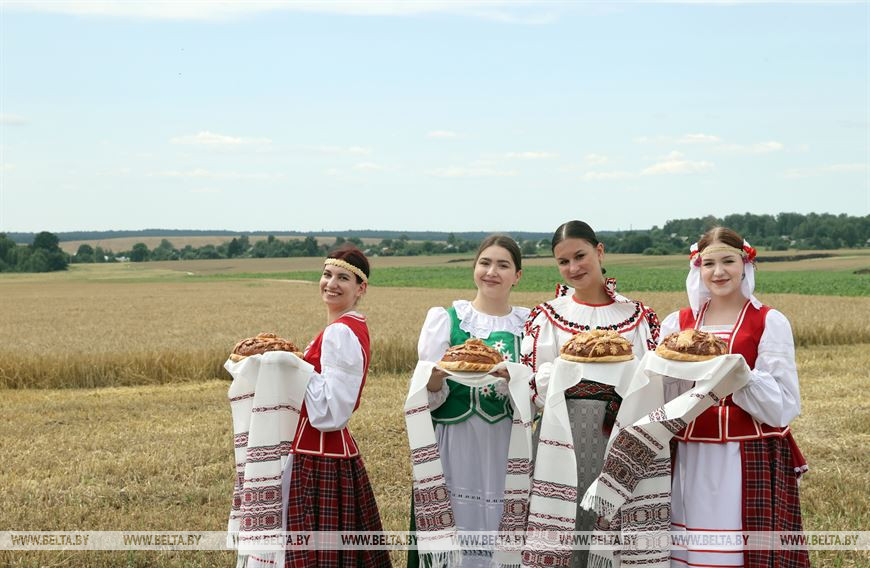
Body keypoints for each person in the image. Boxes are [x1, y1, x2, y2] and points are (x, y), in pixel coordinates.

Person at [661, 227, 809, 568]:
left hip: (746, 452)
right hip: (689, 452)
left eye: (728, 261)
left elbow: (784, 403)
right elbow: (664, 395)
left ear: (745, 264)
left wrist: (742, 376)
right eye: (709, 263)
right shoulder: (678, 324)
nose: (718, 272)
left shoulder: (768, 321)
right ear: (697, 268)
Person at [520, 220, 660, 567]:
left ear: (599, 251)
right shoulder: (548, 316)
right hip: (563, 438)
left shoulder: (638, 316)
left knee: (614, 527)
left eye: (580, 256)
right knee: (565, 526)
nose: (573, 267)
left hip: (623, 440)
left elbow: (654, 383)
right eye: (563, 261)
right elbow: (533, 388)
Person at [409, 235, 530, 568]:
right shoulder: (447, 319)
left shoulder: (528, 326)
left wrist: (515, 377)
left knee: (500, 523)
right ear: (474, 268)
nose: (491, 272)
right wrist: (437, 376)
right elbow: (426, 392)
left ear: (517, 276)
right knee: (453, 522)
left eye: (503, 265)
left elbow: (535, 393)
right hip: (454, 440)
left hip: (505, 443)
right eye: (485, 263)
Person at [285, 245, 391, 568]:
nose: (331, 283)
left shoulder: (341, 332)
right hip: (325, 453)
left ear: (361, 288)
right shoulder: (345, 327)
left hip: (320, 459)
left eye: (343, 278)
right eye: (327, 274)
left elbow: (331, 411)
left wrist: (291, 366)